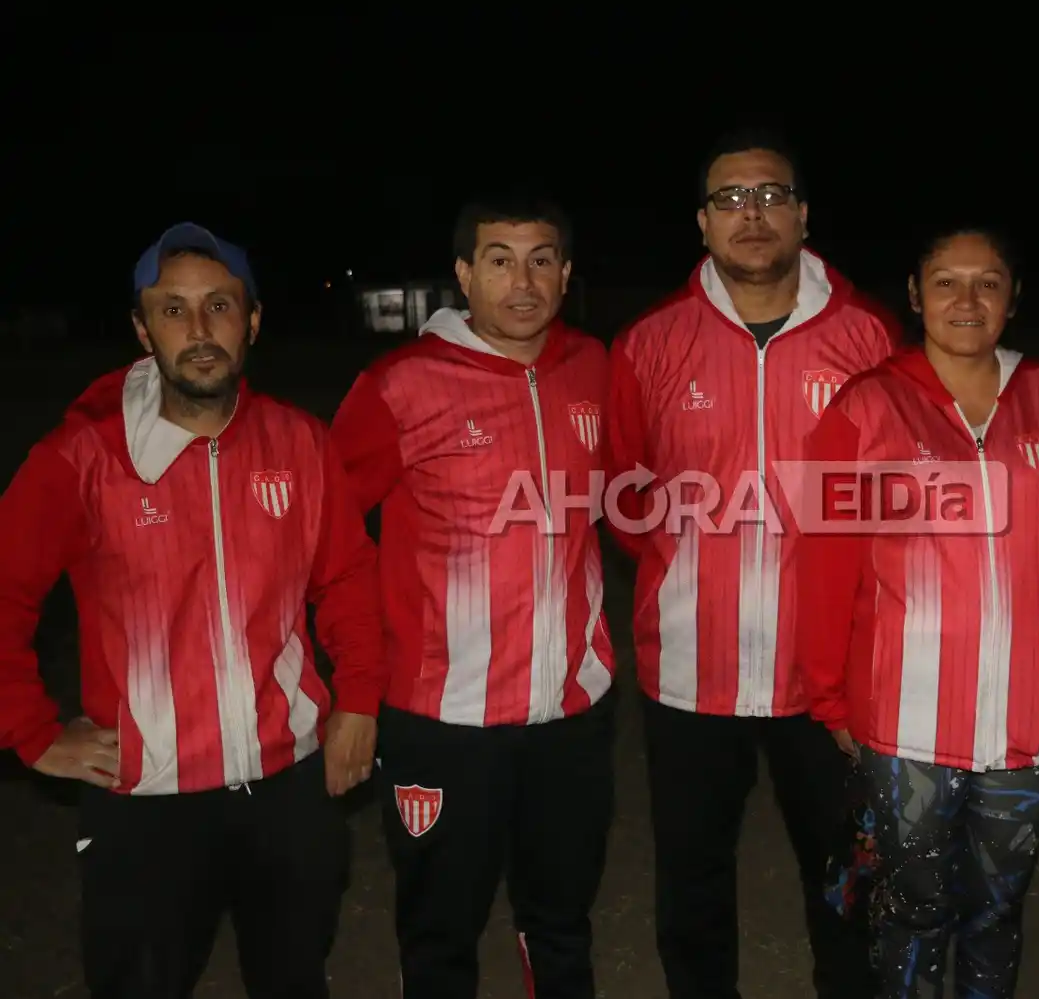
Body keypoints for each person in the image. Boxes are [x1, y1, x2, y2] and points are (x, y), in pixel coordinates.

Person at [0, 223, 385, 999]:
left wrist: (360, 699)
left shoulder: (301, 443)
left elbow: (345, 577)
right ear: (142, 330)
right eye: (173, 310)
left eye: (219, 305)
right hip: (147, 802)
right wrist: (30, 730)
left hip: (287, 786)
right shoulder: (81, 460)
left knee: (293, 976)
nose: (200, 329)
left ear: (252, 321)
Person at [795, 224, 1039, 999]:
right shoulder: (865, 406)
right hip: (903, 719)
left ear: (1013, 297)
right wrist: (829, 692)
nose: (967, 299)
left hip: (1026, 717)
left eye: (988, 281)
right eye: (946, 280)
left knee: (996, 907)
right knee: (912, 906)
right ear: (916, 296)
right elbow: (821, 562)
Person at [604, 128, 898, 999]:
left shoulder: (869, 334)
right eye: (730, 200)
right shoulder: (650, 343)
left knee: (848, 871)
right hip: (694, 670)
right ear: (702, 223)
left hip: (831, 676)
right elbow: (627, 497)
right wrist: (691, 576)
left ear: (804, 215)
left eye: (770, 195)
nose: (752, 214)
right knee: (692, 880)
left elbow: (893, 500)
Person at [329, 195, 616, 999]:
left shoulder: (593, 367)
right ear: (463, 273)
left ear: (565, 271)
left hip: (572, 715)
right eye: (499, 259)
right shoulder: (400, 385)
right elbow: (324, 536)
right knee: (440, 930)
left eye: (541, 258)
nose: (522, 281)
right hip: (443, 721)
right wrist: (351, 681)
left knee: (561, 920)